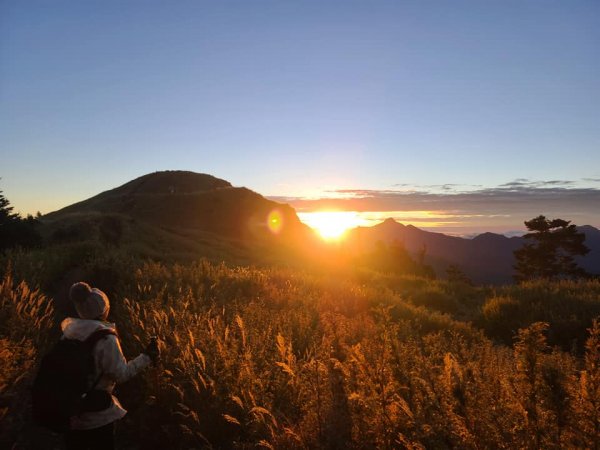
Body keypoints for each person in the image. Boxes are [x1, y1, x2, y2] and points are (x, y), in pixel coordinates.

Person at [61, 281, 159, 450]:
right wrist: (146, 357)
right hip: (97, 417)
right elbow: (120, 374)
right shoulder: (106, 339)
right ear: (103, 310)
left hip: (71, 412)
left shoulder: (69, 333)